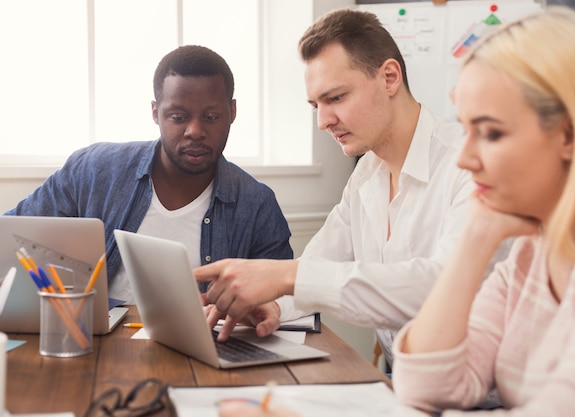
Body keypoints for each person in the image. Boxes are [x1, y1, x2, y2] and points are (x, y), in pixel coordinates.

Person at [194, 8, 509, 369]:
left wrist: (284, 276)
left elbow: (441, 284)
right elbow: (320, 265)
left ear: (389, 78)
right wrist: (274, 306)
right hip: (403, 379)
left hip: (489, 396)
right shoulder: (366, 175)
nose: (323, 121)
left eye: (336, 98)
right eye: (316, 105)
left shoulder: (470, 165)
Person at [389, 6, 575, 416]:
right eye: (466, 130)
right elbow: (425, 387)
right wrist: (476, 236)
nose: (463, 159)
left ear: (569, 134)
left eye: (491, 133)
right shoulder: (531, 252)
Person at [4, 45, 293, 305]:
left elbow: (285, 301)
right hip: (97, 348)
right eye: (178, 117)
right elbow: (11, 238)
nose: (195, 130)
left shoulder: (257, 205)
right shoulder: (92, 170)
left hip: (203, 354)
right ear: (156, 113)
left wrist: (268, 307)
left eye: (211, 117)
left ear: (232, 111)